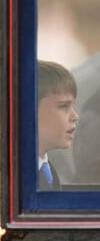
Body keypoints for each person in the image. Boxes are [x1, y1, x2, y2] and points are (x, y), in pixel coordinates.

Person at [38, 60, 79, 190]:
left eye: (73, 106)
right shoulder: (17, 177)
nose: (75, 117)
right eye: (63, 106)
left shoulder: (48, 168)